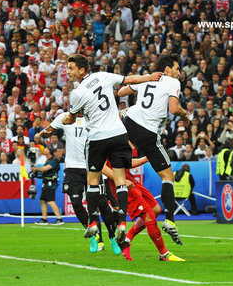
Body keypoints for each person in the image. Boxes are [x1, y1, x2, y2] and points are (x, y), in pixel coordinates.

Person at [62, 54, 161, 243]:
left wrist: (69, 118)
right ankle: (122, 222)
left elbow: (73, 118)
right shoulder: (102, 76)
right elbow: (130, 79)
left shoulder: (77, 93)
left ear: (81, 70)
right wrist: (150, 77)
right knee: (121, 179)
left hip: (98, 137)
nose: (68, 71)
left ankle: (92, 222)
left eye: (71, 68)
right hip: (118, 133)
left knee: (92, 179)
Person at [117, 53, 189, 245]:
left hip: (128, 121)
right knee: (168, 177)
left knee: (116, 161)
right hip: (147, 132)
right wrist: (185, 114)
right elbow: (174, 109)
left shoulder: (148, 77)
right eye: (177, 68)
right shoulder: (172, 82)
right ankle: (170, 220)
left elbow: (121, 92)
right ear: (167, 69)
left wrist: (139, 86)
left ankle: (121, 224)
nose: (179, 72)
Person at [38, 112, 121, 254]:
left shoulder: (94, 116)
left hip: (92, 166)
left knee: (101, 204)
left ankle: (112, 237)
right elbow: (47, 132)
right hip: (72, 168)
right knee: (76, 203)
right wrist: (44, 133)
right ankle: (94, 235)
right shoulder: (64, 117)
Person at [102, 155, 185, 262]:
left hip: (131, 180)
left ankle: (126, 240)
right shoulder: (101, 141)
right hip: (121, 184)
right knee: (148, 216)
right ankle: (164, 253)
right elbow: (102, 167)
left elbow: (126, 162)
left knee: (155, 209)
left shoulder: (118, 142)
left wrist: (146, 159)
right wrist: (120, 180)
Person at [31, 147, 64, 225]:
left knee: (51, 201)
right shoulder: (48, 160)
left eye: (46, 149)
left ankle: (59, 218)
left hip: (51, 183)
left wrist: (37, 168)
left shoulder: (53, 161)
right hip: (46, 183)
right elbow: (44, 171)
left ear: (50, 152)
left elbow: (46, 168)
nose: (44, 150)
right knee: (42, 200)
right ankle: (44, 219)